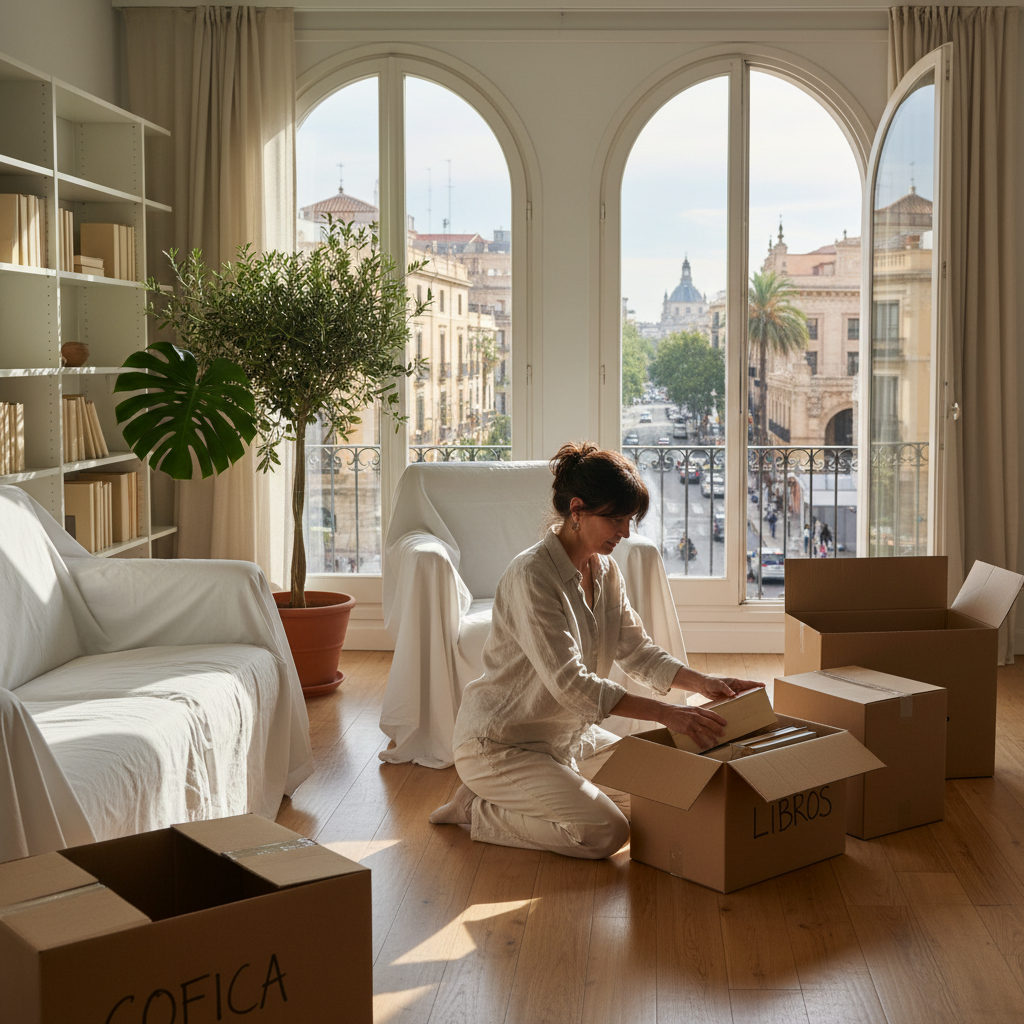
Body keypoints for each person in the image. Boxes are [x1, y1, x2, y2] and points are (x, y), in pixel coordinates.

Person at [428, 441, 765, 860]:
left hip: (568, 737)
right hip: (502, 743)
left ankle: (528, 793)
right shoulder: (532, 576)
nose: (625, 533)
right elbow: (571, 685)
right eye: (616, 519)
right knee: (607, 833)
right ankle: (479, 807)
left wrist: (704, 682)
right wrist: (667, 714)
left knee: (659, 801)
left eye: (629, 520)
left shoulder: (605, 570)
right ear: (577, 509)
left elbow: (636, 650)